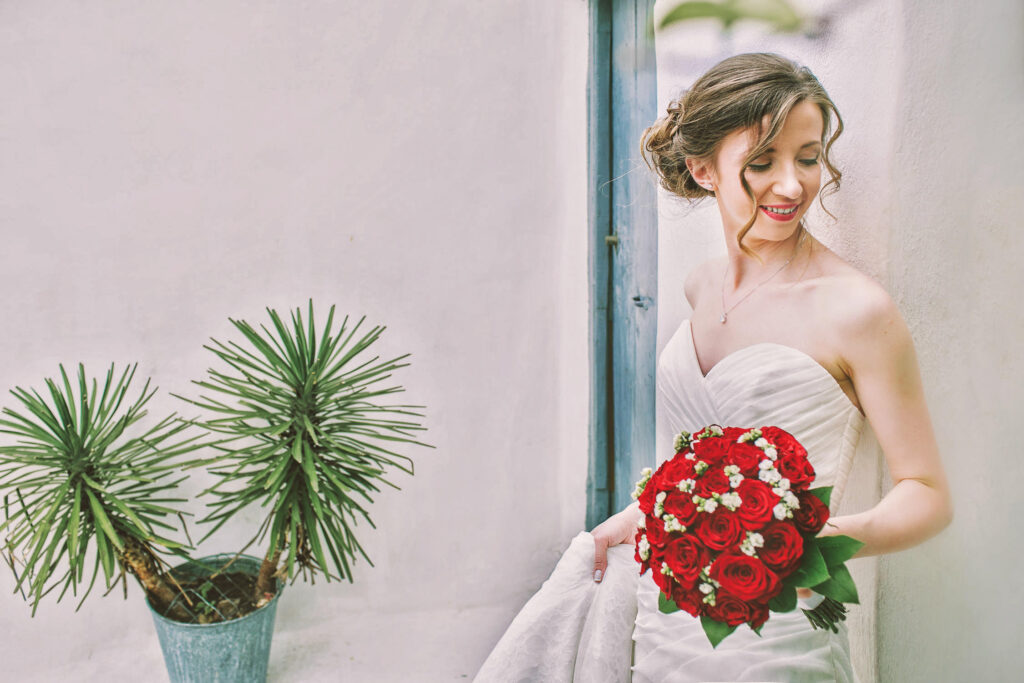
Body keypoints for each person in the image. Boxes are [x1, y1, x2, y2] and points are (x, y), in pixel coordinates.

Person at [475, 53, 953, 683]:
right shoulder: (700, 288)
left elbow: (927, 493)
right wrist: (642, 516)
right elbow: (699, 460)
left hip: (776, 630)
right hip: (665, 616)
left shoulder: (857, 310)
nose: (791, 185)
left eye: (807, 157)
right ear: (703, 170)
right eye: (762, 163)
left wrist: (812, 542)